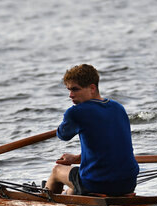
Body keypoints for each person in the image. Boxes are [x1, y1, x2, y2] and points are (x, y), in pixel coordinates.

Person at [45, 64, 139, 196]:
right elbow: (108, 147)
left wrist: (67, 121)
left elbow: (63, 135)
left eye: (75, 89)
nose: (70, 95)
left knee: (57, 171)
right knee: (71, 191)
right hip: (128, 182)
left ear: (92, 88)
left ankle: (46, 204)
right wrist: (77, 158)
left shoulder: (76, 112)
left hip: (97, 183)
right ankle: (70, 195)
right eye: (69, 90)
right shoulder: (118, 108)